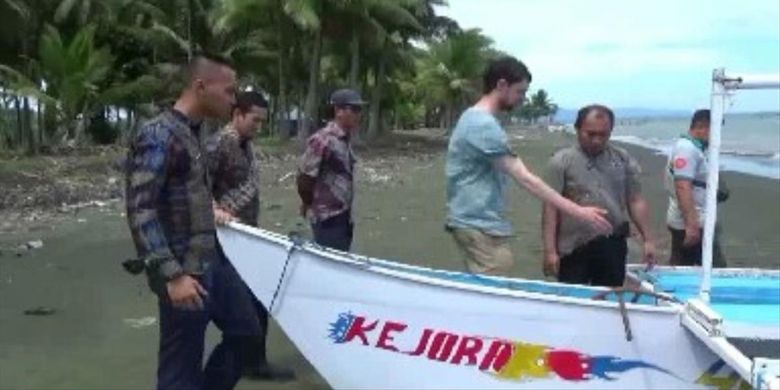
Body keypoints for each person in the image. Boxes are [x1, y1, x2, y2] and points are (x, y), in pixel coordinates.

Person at [125, 53, 251, 390]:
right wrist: (172, 276)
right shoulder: (158, 134)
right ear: (200, 86)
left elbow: (186, 193)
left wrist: (212, 209)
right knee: (180, 371)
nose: (233, 99)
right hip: (183, 271)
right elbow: (141, 209)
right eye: (228, 91)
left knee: (246, 333)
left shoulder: (193, 133)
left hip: (211, 260)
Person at [445, 56, 612, 276]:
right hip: (477, 222)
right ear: (501, 85)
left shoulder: (474, 118)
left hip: (473, 219)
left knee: (489, 282)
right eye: (520, 91)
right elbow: (525, 178)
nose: (523, 99)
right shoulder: (483, 125)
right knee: (494, 287)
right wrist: (579, 212)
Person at [206, 90, 295, 381]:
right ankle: (244, 362)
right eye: (254, 120)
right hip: (223, 240)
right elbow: (197, 188)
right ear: (238, 114)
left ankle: (256, 362)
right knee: (240, 311)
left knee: (259, 300)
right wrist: (213, 209)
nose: (259, 127)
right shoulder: (219, 145)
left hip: (247, 237)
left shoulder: (247, 146)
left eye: (262, 122)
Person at [542, 105, 656, 287]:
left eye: (603, 134)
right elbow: (550, 207)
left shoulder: (622, 159)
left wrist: (648, 239)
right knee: (573, 300)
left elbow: (635, 199)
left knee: (610, 299)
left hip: (612, 242)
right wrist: (550, 251)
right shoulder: (561, 162)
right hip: (573, 246)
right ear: (577, 129)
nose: (597, 140)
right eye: (591, 134)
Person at [296, 89, 365, 251]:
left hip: (342, 215)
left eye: (359, 110)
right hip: (327, 217)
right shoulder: (323, 139)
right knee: (330, 264)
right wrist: (307, 202)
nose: (358, 114)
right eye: (354, 109)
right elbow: (305, 177)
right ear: (338, 111)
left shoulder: (343, 139)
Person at [665, 109, 727, 267]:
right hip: (690, 223)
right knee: (712, 268)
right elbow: (682, 186)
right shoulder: (687, 149)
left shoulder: (695, 148)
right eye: (716, 131)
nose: (717, 137)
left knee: (683, 264)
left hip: (696, 219)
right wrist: (691, 227)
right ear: (702, 127)